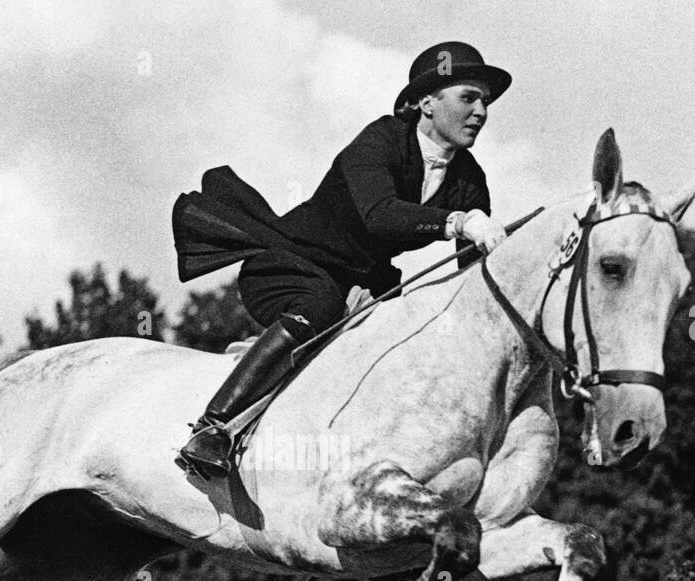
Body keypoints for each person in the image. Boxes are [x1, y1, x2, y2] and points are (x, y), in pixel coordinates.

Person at [171, 41, 512, 477]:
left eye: (485, 101)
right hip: (289, 266)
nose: (481, 111)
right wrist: (460, 221)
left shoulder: (470, 178)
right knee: (321, 306)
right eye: (469, 97)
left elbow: (470, 278)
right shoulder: (382, 138)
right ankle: (213, 429)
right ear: (427, 102)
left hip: (369, 285)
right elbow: (380, 216)